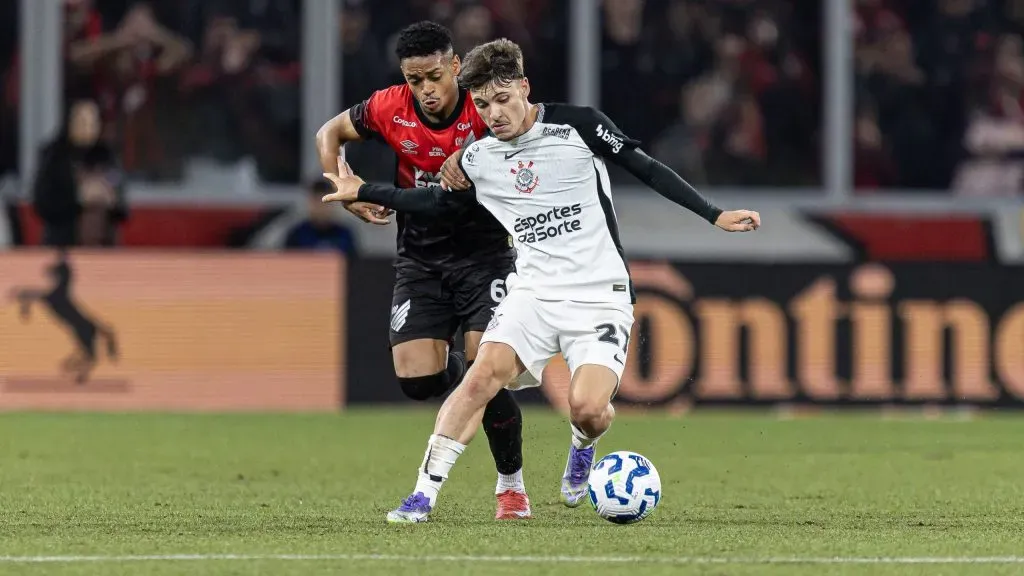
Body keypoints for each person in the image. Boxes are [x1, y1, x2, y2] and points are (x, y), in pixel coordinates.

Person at [321, 38, 761, 524]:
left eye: (504, 99)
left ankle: (583, 443)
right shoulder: (477, 159)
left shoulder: (579, 126)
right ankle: (422, 495)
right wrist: (364, 190)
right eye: (484, 105)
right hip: (530, 293)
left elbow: (648, 169)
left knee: (588, 408)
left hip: (599, 296)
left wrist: (714, 214)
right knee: (478, 378)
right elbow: (437, 205)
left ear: (524, 88)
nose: (495, 115)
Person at [314, 22, 532, 520]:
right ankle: (462, 373)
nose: (426, 90)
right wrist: (341, 182)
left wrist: (476, 154)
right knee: (416, 379)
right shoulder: (390, 107)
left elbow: (524, 139)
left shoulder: (485, 109)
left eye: (434, 76)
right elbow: (329, 132)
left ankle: (511, 485)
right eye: (415, 80)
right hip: (421, 259)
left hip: (485, 257)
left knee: (487, 372)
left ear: (455, 66)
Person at [33, 98, 127, 247]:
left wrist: (109, 198)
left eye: (92, 121)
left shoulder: (106, 156)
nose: (87, 126)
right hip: (63, 243)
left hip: (104, 245)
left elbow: (123, 204)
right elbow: (42, 203)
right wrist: (78, 197)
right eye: (82, 120)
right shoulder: (55, 157)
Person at [284, 180, 358, 255]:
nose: (321, 207)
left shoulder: (344, 235)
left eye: (326, 202)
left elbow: (354, 263)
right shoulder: (297, 234)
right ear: (310, 203)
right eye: (317, 201)